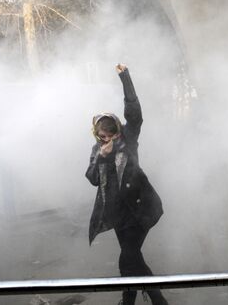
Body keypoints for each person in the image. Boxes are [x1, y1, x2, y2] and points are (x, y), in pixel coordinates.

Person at [85, 64, 168, 305]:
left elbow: (135, 114)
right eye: (104, 136)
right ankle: (151, 299)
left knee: (127, 258)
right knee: (133, 259)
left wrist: (125, 77)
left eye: (112, 134)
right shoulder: (97, 150)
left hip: (141, 211)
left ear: (118, 131)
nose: (108, 139)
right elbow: (91, 178)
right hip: (118, 214)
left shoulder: (128, 139)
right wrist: (102, 156)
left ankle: (142, 300)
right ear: (97, 134)